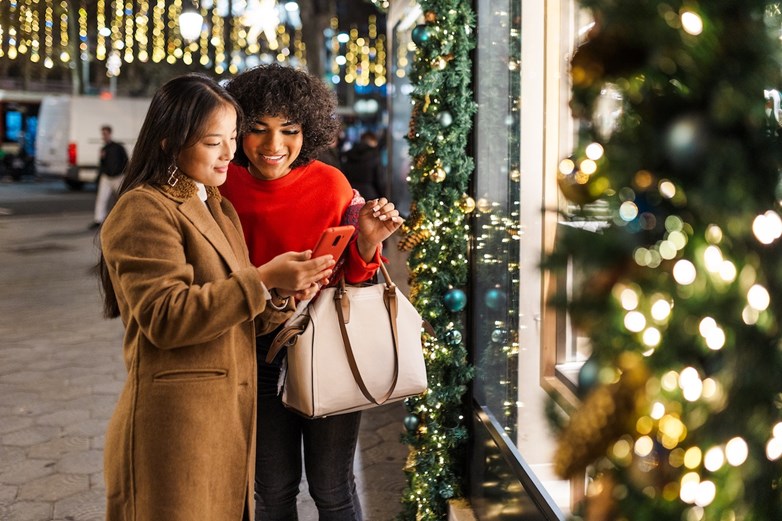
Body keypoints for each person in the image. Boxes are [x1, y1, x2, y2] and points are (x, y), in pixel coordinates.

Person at [97, 73, 335, 521]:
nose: (230, 153)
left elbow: (240, 309)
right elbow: (166, 317)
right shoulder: (144, 207)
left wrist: (284, 294)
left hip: (227, 422)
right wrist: (264, 280)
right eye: (213, 142)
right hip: (177, 427)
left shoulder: (216, 203)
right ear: (169, 142)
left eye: (231, 138)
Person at [220, 63, 403, 521]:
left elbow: (356, 283)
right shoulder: (222, 185)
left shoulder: (330, 183)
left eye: (289, 130)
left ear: (309, 129)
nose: (273, 145)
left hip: (328, 346)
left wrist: (367, 242)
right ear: (238, 131)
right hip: (251, 352)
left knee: (333, 488)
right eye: (257, 130)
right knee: (272, 491)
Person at [91, 125, 129, 229]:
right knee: (101, 198)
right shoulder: (103, 149)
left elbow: (126, 160)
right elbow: (102, 164)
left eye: (105, 133)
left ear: (110, 134)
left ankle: (125, 218)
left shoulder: (118, 147)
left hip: (118, 176)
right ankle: (98, 219)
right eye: (103, 134)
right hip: (107, 177)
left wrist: (123, 173)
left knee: (122, 198)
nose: (104, 136)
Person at [341, 130, 386, 200]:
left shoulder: (349, 155)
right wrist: (384, 197)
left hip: (351, 194)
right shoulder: (374, 156)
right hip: (370, 195)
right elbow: (380, 180)